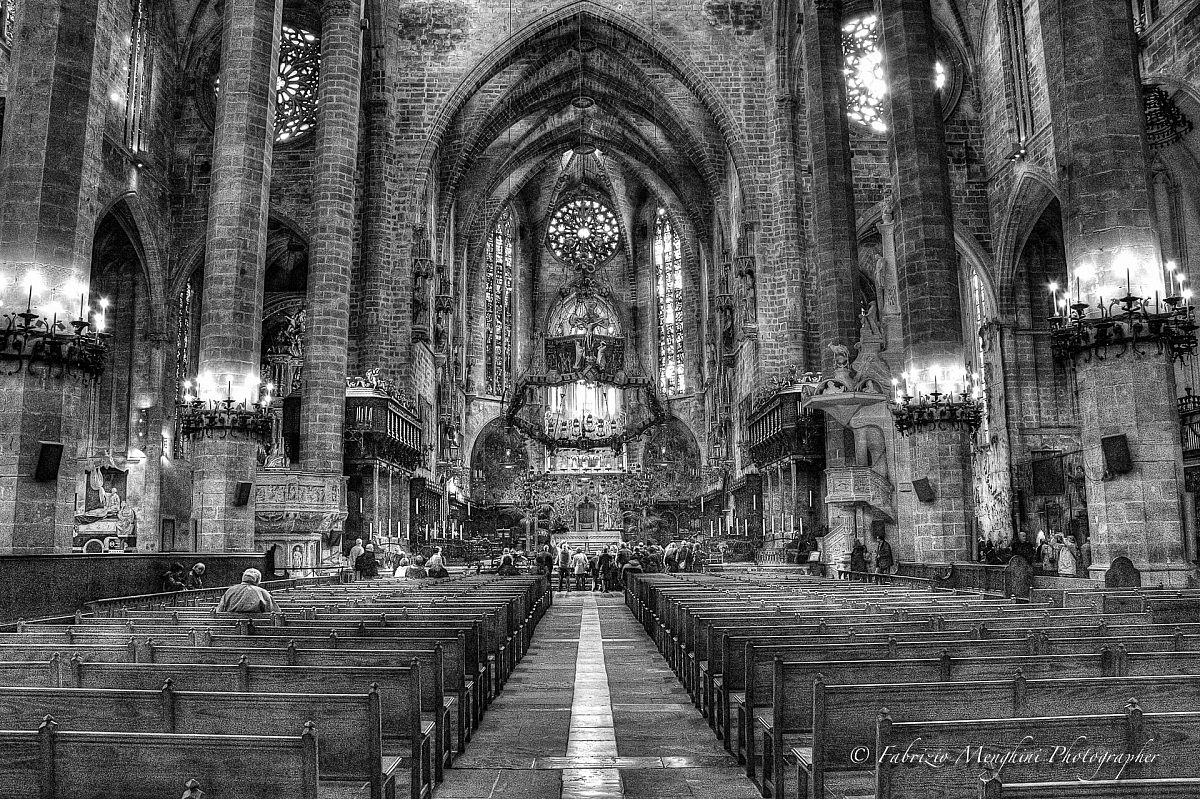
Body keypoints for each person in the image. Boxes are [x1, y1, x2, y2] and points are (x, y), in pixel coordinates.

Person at [216, 568, 280, 614]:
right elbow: (275, 613)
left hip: (231, 627)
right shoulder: (262, 592)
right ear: (258, 581)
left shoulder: (230, 591)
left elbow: (219, 611)